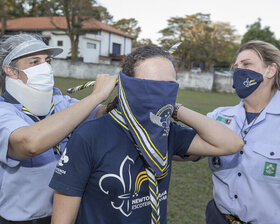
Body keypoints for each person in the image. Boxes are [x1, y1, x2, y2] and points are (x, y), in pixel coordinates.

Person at [49, 45, 243, 224]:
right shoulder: (89, 135)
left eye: (169, 86)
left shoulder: (166, 131)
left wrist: (173, 108)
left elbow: (231, 144)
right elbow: (62, 219)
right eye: (153, 85)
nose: (162, 92)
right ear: (129, 86)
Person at [0, 33, 117, 223]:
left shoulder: (60, 102)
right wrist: (96, 96)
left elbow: (106, 115)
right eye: (34, 61)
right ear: (11, 71)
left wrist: (132, 84)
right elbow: (29, 143)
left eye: (47, 60)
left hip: (66, 214)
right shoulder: (3, 112)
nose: (45, 67)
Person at [205, 40, 280, 224]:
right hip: (219, 217)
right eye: (236, 66)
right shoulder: (219, 116)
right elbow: (185, 150)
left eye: (246, 64)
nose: (238, 71)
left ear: (270, 70)